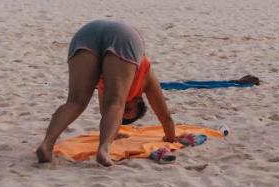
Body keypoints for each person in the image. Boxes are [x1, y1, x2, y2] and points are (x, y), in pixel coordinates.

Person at [36, 19, 177, 167]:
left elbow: (105, 115)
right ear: (139, 100)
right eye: (128, 110)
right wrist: (170, 138)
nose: (124, 108)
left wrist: (113, 133)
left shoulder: (109, 86)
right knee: (116, 103)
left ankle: (46, 145)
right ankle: (103, 150)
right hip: (125, 36)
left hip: (87, 33)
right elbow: (164, 116)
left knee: (75, 102)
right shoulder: (146, 79)